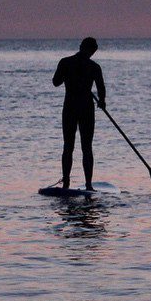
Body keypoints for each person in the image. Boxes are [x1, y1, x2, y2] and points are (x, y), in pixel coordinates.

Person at [53, 37, 106, 190]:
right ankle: (85, 185)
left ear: (81, 46)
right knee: (83, 147)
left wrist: (101, 100)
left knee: (71, 147)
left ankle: (70, 184)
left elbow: (56, 82)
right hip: (83, 108)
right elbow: (101, 89)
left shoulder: (65, 62)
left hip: (72, 107)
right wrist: (102, 101)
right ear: (92, 51)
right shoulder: (93, 67)